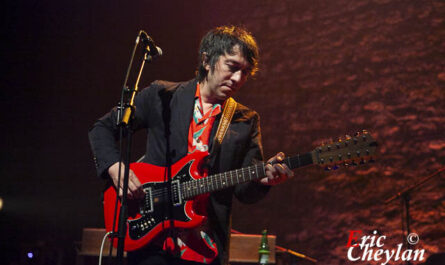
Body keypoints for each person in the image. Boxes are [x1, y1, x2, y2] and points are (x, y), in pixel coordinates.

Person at [88, 25, 294, 265]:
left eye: (245, 72)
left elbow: (243, 192)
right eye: (232, 67)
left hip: (204, 247)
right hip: (151, 239)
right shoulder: (162, 95)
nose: (238, 79)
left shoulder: (245, 120)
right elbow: (101, 128)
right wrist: (115, 167)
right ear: (207, 60)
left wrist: (263, 181)